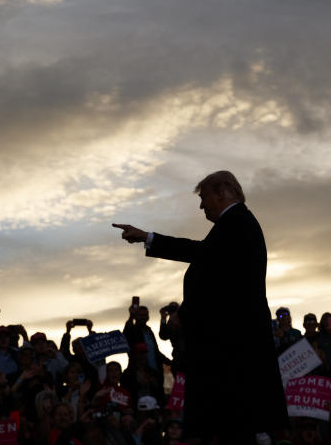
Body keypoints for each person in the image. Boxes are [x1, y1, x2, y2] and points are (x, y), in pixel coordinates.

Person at [113, 170, 286, 443]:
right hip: (232, 348)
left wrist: (184, 314)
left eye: (204, 197)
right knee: (233, 429)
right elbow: (205, 259)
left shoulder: (237, 222)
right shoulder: (236, 224)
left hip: (232, 350)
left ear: (222, 191)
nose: (201, 205)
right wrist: (147, 237)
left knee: (233, 428)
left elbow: (215, 276)